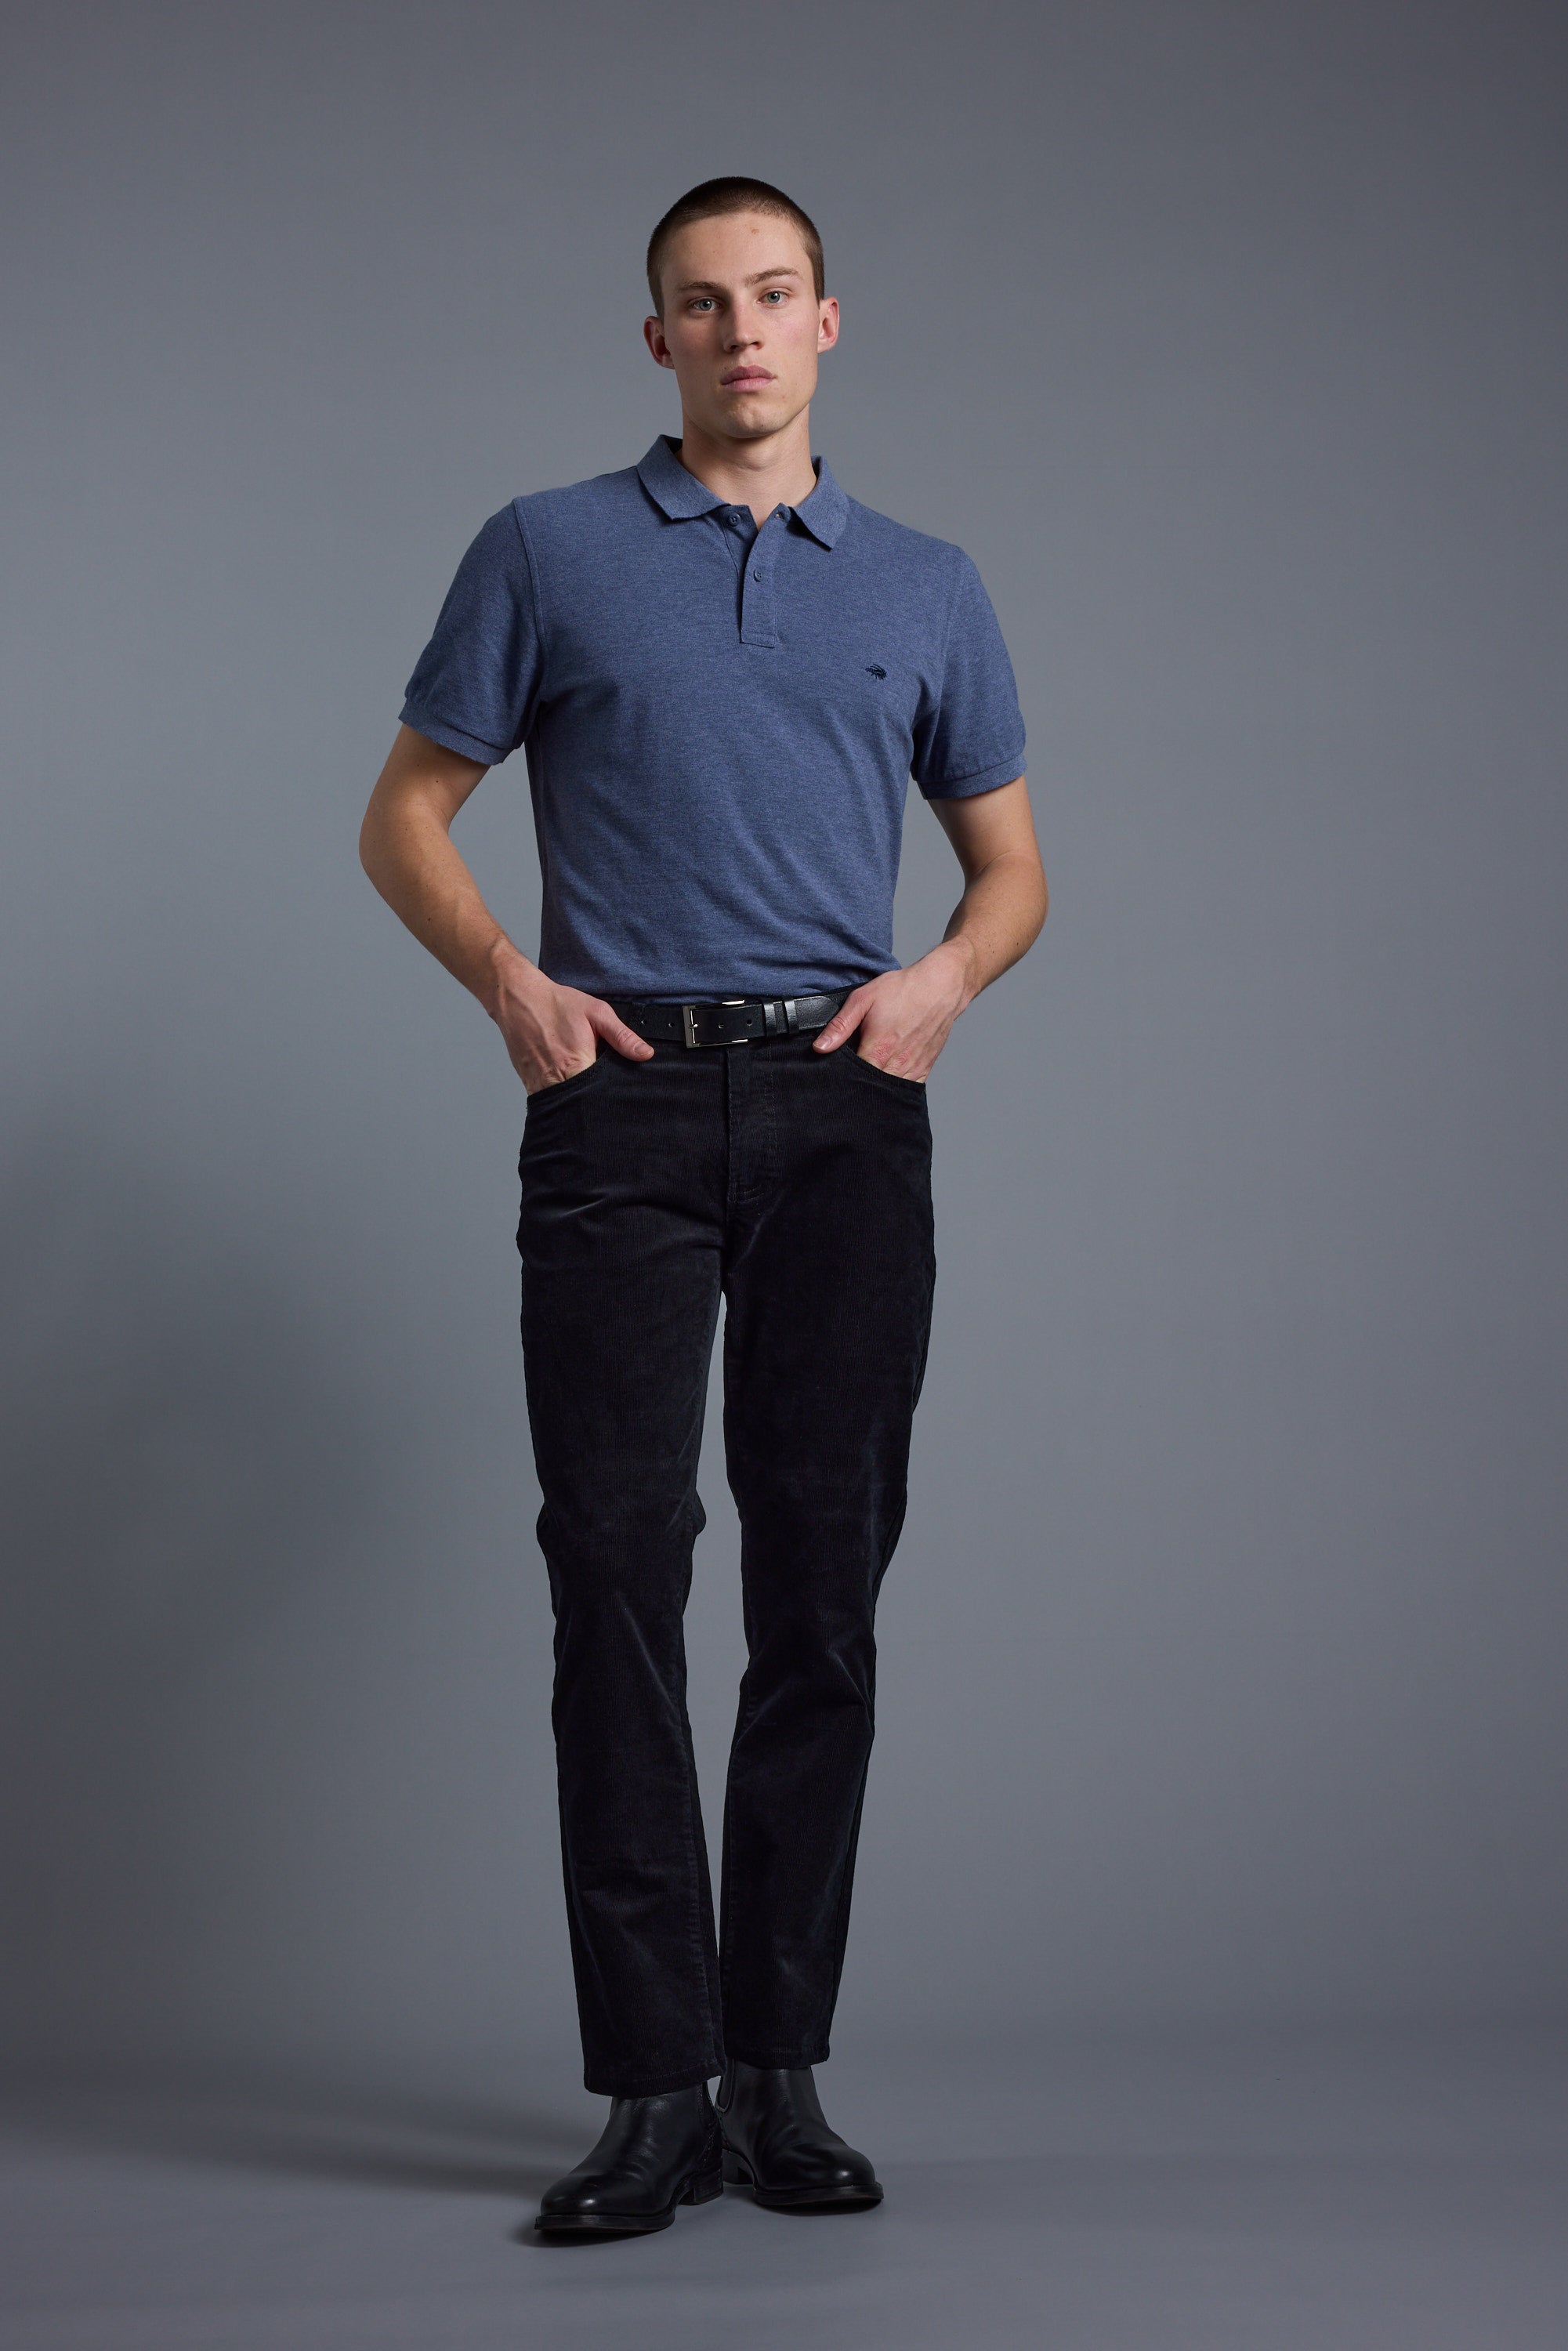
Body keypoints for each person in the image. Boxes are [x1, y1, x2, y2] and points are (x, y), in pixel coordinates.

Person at [358, 176, 1046, 2238]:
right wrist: (508, 984)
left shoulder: (924, 584)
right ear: (651, 340)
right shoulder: (546, 551)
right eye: (695, 304)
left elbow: (1009, 872)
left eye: (768, 297)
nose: (736, 331)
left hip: (844, 1113)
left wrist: (934, 982)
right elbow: (404, 808)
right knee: (619, 1579)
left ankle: (782, 2071)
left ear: (826, 323)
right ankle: (653, 2090)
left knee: (818, 1597)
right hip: (621, 1104)